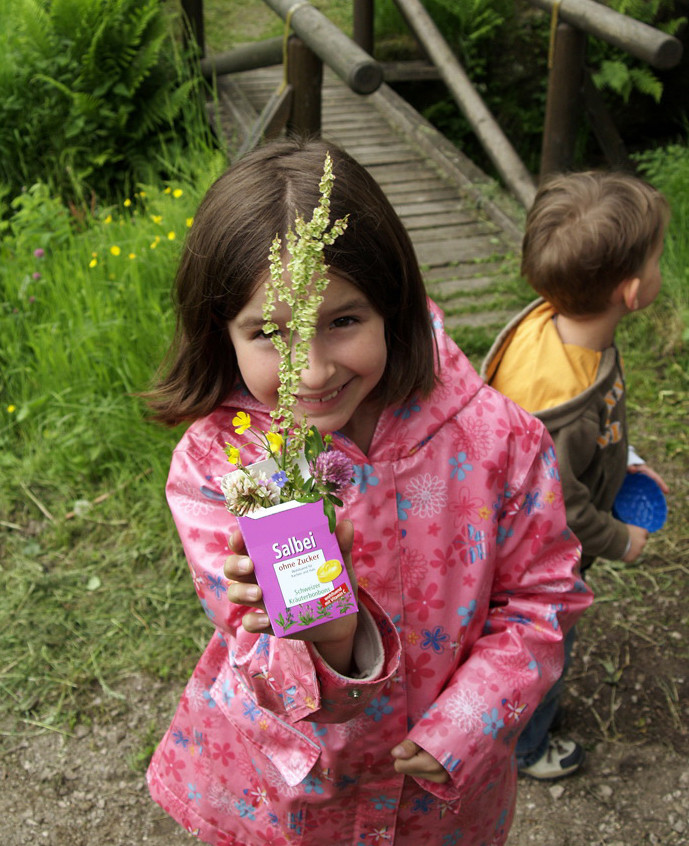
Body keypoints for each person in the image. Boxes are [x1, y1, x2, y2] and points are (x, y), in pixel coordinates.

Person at [145, 137, 592, 846]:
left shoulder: (495, 439)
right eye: (269, 334)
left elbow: (543, 597)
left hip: (439, 796)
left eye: (343, 320)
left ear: (394, 302)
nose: (312, 370)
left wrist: (469, 720)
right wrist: (324, 639)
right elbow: (253, 652)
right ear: (218, 330)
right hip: (296, 796)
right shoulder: (222, 464)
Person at [482, 170, 670, 781]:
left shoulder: (555, 323)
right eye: (659, 257)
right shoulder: (563, 410)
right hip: (535, 566)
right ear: (634, 290)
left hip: (520, 537)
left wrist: (630, 459)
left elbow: (598, 427)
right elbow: (561, 509)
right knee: (545, 651)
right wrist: (620, 541)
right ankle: (527, 748)